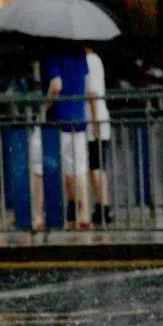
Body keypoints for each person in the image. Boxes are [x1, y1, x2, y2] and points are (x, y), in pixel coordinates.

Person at [30, 46, 92, 230]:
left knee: (39, 168)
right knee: (78, 170)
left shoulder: (52, 54)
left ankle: (38, 217)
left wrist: (43, 107)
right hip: (78, 120)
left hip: (55, 121)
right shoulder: (80, 53)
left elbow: (56, 86)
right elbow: (87, 86)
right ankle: (83, 215)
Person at [84, 47, 113, 227]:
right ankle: (102, 206)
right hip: (98, 118)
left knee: (95, 166)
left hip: (94, 119)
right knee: (97, 165)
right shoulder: (96, 60)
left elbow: (92, 93)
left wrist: (94, 122)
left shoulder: (90, 62)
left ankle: (103, 207)